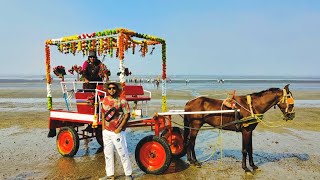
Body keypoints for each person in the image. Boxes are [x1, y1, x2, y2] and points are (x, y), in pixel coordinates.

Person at [99, 81, 133, 180]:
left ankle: (128, 174)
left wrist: (119, 128)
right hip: (106, 131)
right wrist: (103, 128)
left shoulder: (121, 100)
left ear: (117, 89)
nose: (111, 90)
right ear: (107, 90)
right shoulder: (104, 100)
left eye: (113, 88)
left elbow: (127, 114)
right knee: (108, 153)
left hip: (117, 131)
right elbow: (102, 113)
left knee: (122, 152)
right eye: (109, 88)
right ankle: (110, 175)